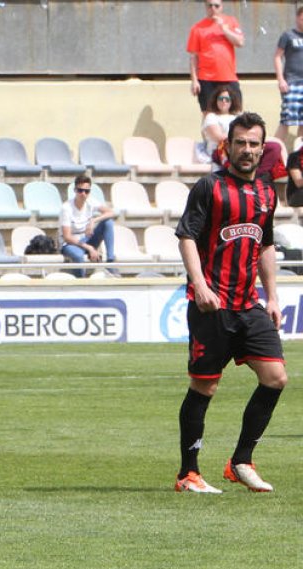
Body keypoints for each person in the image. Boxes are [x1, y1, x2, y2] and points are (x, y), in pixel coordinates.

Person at [173, 111, 285, 495]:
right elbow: (186, 236)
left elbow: (264, 244)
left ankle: (241, 460)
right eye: (241, 143)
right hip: (212, 306)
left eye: (254, 144)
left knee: (275, 377)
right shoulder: (210, 187)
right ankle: (188, 473)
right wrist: (200, 284)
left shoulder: (267, 193)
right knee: (204, 388)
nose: (247, 150)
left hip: (248, 305)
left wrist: (271, 296)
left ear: (262, 147)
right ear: (228, 146)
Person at [187, 0, 244, 116]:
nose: (213, 8)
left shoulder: (231, 22)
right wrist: (194, 80)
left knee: (236, 112)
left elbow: (240, 42)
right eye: (210, 6)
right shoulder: (197, 28)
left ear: (221, 6)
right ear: (205, 7)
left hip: (228, 77)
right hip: (206, 78)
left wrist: (224, 29)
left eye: (216, 6)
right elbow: (193, 57)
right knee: (208, 114)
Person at [59, 175, 117, 278]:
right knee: (78, 256)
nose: (83, 194)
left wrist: (93, 220)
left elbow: (111, 213)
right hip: (70, 244)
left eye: (87, 191)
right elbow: (67, 237)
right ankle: (81, 281)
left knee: (108, 222)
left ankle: (110, 262)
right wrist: (89, 248)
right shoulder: (66, 208)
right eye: (80, 190)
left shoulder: (91, 201)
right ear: (75, 190)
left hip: (86, 238)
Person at [274, 7, 303, 144]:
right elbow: (278, 57)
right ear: (297, 17)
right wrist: (281, 79)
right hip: (292, 83)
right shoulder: (288, 35)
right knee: (286, 120)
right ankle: (271, 154)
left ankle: (299, 156)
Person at [201, 86, 241, 162]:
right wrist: (240, 136)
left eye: (227, 99)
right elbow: (218, 137)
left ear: (231, 101)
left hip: (235, 151)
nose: (224, 101)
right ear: (216, 101)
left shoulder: (237, 117)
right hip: (218, 152)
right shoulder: (211, 117)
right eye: (221, 99)